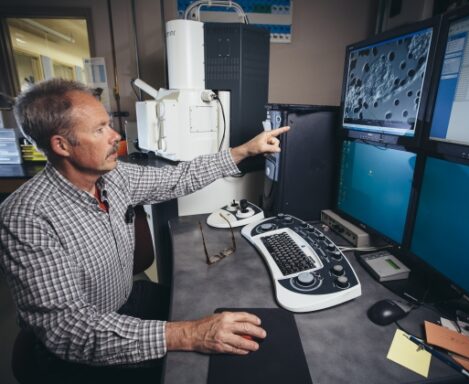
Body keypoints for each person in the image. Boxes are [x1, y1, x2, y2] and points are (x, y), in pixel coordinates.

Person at [0, 78, 289, 381]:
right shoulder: (26, 218)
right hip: (75, 352)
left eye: (109, 125)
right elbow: (70, 331)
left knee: (216, 307)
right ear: (61, 145)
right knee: (204, 368)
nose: (114, 136)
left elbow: (180, 178)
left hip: (127, 300)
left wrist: (243, 151)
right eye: (100, 130)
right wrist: (189, 334)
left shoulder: (114, 177)